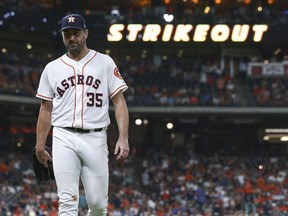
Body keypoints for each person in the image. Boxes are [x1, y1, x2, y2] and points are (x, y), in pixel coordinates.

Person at [34, 13, 130, 215]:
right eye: (67, 34)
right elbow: (45, 108)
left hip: (95, 137)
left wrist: (123, 137)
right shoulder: (52, 68)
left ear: (85, 33)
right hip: (63, 136)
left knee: (97, 205)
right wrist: (40, 145)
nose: (71, 38)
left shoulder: (104, 62)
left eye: (76, 33)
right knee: (67, 203)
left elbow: (119, 102)